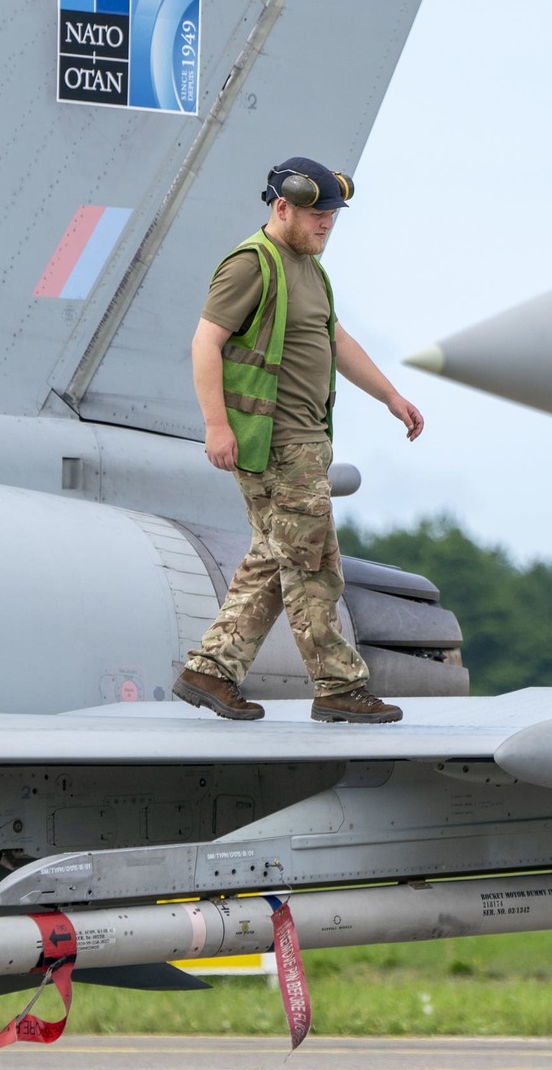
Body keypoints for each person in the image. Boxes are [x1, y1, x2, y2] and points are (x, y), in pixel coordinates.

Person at [172, 157, 425, 724]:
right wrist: (217, 426)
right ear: (281, 207)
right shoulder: (252, 265)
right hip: (278, 443)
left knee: (274, 558)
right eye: (317, 216)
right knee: (312, 567)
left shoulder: (308, 266)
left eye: (333, 217)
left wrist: (390, 395)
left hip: (305, 441)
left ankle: (210, 672)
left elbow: (332, 337)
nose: (326, 226)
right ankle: (338, 687)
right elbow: (204, 343)